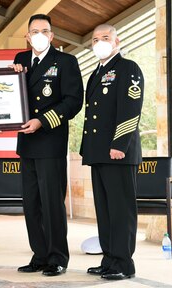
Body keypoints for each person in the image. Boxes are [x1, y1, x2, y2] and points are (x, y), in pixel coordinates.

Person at [11, 14, 83, 276]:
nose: (39, 35)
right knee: (31, 203)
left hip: (50, 140)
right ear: (27, 36)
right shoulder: (20, 60)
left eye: (44, 30)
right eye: (34, 31)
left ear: (52, 35)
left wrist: (42, 121)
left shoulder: (65, 61)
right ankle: (39, 255)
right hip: (26, 143)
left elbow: (73, 101)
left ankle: (57, 257)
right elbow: (13, 95)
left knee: (52, 203)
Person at [80, 23, 143, 280]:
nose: (100, 42)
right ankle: (109, 259)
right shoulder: (97, 73)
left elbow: (131, 108)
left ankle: (124, 263)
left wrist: (119, 144)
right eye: (95, 39)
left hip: (118, 152)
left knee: (121, 210)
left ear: (117, 41)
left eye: (105, 38)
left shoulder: (128, 68)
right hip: (99, 153)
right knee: (105, 210)